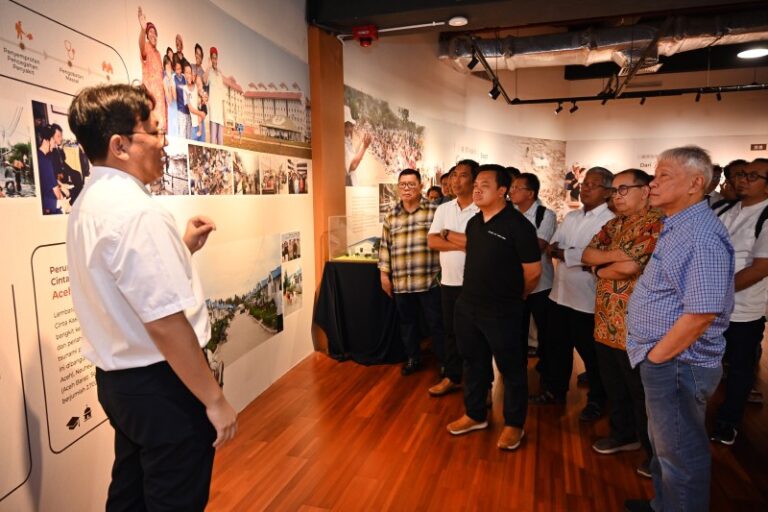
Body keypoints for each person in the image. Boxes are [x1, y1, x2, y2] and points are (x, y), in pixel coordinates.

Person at [66, 84, 237, 511]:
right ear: (119, 145)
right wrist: (215, 400)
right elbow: (163, 323)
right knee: (173, 498)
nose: (165, 143)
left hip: (121, 385)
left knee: (131, 493)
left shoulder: (89, 202)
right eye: (155, 131)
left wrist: (182, 247)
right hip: (162, 386)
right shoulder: (137, 212)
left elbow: (125, 286)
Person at [624, 146, 734, 512]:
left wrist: (657, 358)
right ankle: (664, 505)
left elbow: (701, 313)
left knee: (680, 454)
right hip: (668, 360)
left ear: (695, 183)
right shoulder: (680, 224)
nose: (652, 184)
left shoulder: (700, 235)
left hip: (677, 363)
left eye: (663, 176)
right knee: (666, 446)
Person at [446, 164, 541, 451]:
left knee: (511, 368)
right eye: (476, 184)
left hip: (502, 310)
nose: (476, 189)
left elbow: (533, 273)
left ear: (502, 191)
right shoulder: (474, 223)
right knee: (473, 362)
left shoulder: (519, 226)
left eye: (484, 185)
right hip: (468, 305)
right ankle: (475, 414)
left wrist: (515, 297)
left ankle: (514, 424)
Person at [581, 169, 662, 478]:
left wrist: (602, 266)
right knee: (614, 386)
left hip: (637, 326)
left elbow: (630, 267)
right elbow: (587, 254)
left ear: (646, 190)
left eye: (623, 189)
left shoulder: (657, 222)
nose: (617, 195)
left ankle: (654, 453)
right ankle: (623, 434)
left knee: (642, 393)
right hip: (605, 320)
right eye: (614, 190)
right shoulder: (613, 224)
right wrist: (616, 258)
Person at [531, 167, 614, 423]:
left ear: (607, 192)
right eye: (584, 183)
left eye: (593, 185)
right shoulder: (572, 216)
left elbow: (597, 257)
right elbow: (552, 247)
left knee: (592, 355)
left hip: (588, 300)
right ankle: (555, 391)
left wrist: (571, 254)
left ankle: (598, 400)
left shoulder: (610, 220)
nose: (585, 188)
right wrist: (574, 254)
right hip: (560, 294)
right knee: (557, 349)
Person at [710, 157, 768, 445]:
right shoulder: (723, 208)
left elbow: (760, 268)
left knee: (740, 369)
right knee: (705, 362)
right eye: (742, 174)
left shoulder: (765, 217)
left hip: (743, 310)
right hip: (706, 307)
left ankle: (728, 420)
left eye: (753, 176)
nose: (743, 179)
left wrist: (715, 293)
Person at [378, 169, 444, 376]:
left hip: (429, 280)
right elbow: (385, 247)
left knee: (436, 324)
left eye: (411, 184)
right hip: (402, 282)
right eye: (403, 184)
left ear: (421, 186)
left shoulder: (434, 211)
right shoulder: (391, 215)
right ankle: (413, 358)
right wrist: (384, 275)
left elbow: (444, 241)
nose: (406, 188)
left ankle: (445, 362)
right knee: (407, 324)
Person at [427, 159, 480, 396]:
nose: (455, 180)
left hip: (475, 284)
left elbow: (479, 244)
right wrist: (463, 242)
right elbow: (432, 241)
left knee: (476, 336)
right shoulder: (443, 209)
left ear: (475, 180)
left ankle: (481, 386)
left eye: (463, 175)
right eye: (454, 175)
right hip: (448, 281)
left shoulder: (482, 209)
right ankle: (452, 376)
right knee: (451, 332)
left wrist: (447, 235)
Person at [509, 173, 556, 367]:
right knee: (516, 329)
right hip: (514, 283)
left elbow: (539, 246)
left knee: (545, 329)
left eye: (516, 188)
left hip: (540, 283)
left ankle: (546, 367)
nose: (511, 191)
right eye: (511, 187)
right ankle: (516, 367)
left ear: (530, 193)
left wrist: (507, 246)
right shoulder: (508, 213)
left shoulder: (545, 215)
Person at [137, 7, 166, 131]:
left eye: (154, 32)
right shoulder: (146, 48)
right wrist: (143, 30)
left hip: (160, 101)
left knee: (161, 130)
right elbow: (141, 46)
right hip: (150, 99)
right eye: (150, 32)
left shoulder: (159, 54)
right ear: (147, 36)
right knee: (150, 129)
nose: (153, 35)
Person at [37, 125, 62, 214]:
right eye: (53, 141)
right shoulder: (45, 161)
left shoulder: (38, 156)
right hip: (52, 204)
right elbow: (56, 191)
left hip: (46, 204)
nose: (54, 144)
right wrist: (64, 203)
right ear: (46, 141)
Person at [344, 105, 371, 186]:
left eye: (351, 125)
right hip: (349, 184)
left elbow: (353, 154)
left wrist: (361, 142)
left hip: (352, 183)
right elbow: (352, 165)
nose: (350, 129)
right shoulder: (342, 144)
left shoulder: (346, 140)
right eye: (347, 125)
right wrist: (364, 147)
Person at [205, 47, 225, 145]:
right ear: (210, 59)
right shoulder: (209, 72)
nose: (214, 60)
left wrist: (224, 114)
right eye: (213, 58)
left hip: (220, 113)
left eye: (215, 58)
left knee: (221, 141)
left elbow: (222, 95)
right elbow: (204, 81)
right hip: (213, 111)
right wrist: (208, 66)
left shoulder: (220, 74)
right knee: (213, 140)